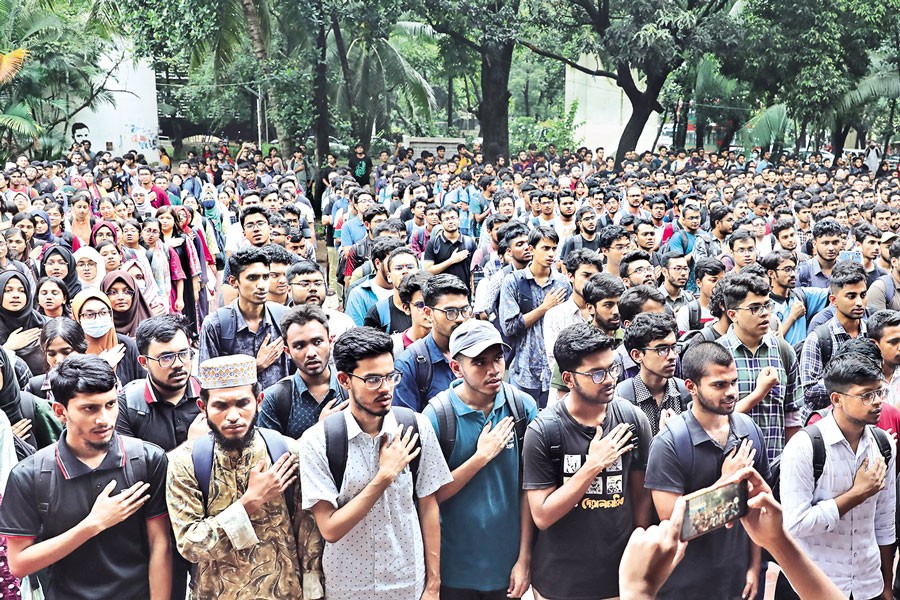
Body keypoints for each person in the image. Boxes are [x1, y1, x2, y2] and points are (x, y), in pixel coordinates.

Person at [0, 355, 172, 599]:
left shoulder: (147, 459)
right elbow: (18, 564)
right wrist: (93, 524)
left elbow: (160, 545)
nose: (103, 419)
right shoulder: (30, 475)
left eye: (111, 404)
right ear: (60, 411)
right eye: (89, 408)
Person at [299, 327, 452, 600]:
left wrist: (433, 584)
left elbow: (428, 506)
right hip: (348, 588)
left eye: (390, 376)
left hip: (408, 583)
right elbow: (330, 529)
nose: (385, 388)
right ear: (345, 380)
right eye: (371, 380)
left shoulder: (416, 427)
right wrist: (384, 476)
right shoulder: (317, 441)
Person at [166, 354, 323, 599]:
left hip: (285, 591)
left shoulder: (287, 452)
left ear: (259, 401)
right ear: (203, 406)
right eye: (220, 406)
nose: (233, 415)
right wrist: (250, 502)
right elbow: (190, 545)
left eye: (242, 403)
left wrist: (314, 589)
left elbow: (308, 532)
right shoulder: (185, 463)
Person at [523, 323, 652, 600]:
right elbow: (542, 516)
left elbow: (641, 497)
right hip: (560, 582)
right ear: (568, 379)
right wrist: (593, 465)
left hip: (618, 578)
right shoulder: (544, 431)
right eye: (596, 373)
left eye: (612, 368)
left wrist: (638, 559)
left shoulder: (632, 419)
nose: (608, 379)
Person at [422, 320, 538, 599]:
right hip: (455, 569)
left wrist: (524, 560)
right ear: (456, 367)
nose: (494, 370)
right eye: (480, 362)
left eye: (498, 358)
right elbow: (430, 497)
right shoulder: (437, 417)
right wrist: (481, 457)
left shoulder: (522, 408)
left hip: (506, 566)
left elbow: (530, 491)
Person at [644, 341, 769, 599]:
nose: (731, 392)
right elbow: (675, 526)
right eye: (719, 385)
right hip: (684, 587)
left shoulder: (749, 431)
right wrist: (724, 483)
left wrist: (755, 568)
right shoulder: (669, 443)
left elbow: (760, 507)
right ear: (691, 387)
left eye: (733, 382)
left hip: (738, 583)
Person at [779, 353, 895, 600]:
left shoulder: (884, 445)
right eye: (866, 395)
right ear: (837, 399)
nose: (877, 402)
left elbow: (885, 521)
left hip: (868, 583)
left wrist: (886, 584)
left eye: (879, 392)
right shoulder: (805, 446)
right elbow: (796, 524)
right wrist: (856, 494)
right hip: (814, 583)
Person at [717, 273, 802, 463]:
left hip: (776, 463)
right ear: (733, 315)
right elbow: (715, 420)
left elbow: (792, 415)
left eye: (767, 305)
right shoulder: (718, 355)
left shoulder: (783, 350)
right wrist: (760, 392)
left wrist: (790, 461)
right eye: (755, 308)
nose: (764, 313)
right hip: (730, 467)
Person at [199, 247, 293, 390]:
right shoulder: (216, 324)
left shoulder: (284, 318)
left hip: (280, 409)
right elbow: (206, 382)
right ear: (233, 281)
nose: (261, 285)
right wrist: (256, 366)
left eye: (265, 277)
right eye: (252, 278)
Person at [499, 227, 571, 408]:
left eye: (554, 249)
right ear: (531, 249)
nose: (551, 254)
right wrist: (544, 308)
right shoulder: (514, 281)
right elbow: (509, 326)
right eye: (545, 248)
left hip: (556, 370)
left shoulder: (562, 282)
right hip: (524, 369)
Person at [259, 305, 348, 440]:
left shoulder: (353, 388)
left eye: (317, 342)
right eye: (299, 346)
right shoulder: (275, 399)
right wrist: (320, 429)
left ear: (330, 341)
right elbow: (272, 455)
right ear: (287, 351)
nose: (311, 353)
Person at [800, 261, 869, 419]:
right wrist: (852, 382)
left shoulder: (871, 333)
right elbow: (809, 392)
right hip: (825, 425)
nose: (859, 302)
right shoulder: (819, 338)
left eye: (863, 295)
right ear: (833, 300)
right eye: (851, 296)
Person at [394, 274, 472, 411]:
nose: (460, 318)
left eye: (465, 310)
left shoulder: (479, 351)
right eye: (450, 311)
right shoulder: (409, 364)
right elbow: (407, 425)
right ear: (428, 313)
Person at [619, 313, 690, 436]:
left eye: (673, 348)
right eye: (662, 350)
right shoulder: (622, 399)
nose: (672, 356)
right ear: (637, 355)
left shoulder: (686, 394)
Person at [71, 288, 143, 385]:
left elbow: (141, 384)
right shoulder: (71, 348)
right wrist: (100, 367)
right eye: (90, 314)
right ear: (77, 317)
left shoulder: (126, 345)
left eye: (103, 312)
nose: (98, 319)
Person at [0, 270, 47, 377]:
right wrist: (7, 348)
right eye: (8, 290)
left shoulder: (43, 323)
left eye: (22, 291)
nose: (15, 295)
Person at [100, 271, 154, 338]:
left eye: (127, 292)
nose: (121, 297)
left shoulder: (150, 327)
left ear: (135, 295)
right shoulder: (97, 327)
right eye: (113, 292)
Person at [797, 219, 846, 289]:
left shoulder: (846, 270)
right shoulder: (803, 271)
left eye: (835, 242)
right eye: (825, 243)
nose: (831, 248)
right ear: (814, 244)